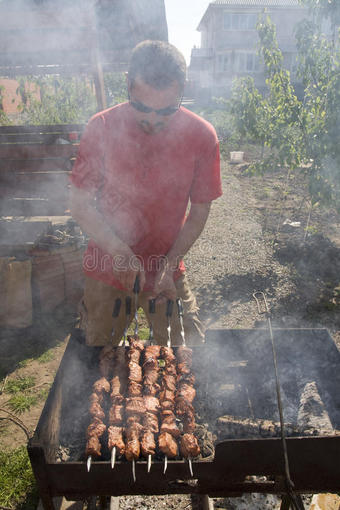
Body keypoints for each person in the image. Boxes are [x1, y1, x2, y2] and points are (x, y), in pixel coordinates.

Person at [70, 40, 222, 346]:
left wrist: (169, 264)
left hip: (167, 271)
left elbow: (200, 210)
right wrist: (119, 252)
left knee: (186, 351)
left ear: (183, 89)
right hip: (106, 269)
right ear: (128, 85)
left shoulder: (202, 136)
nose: (152, 120)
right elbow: (80, 203)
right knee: (98, 358)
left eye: (166, 110)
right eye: (142, 107)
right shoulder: (101, 127)